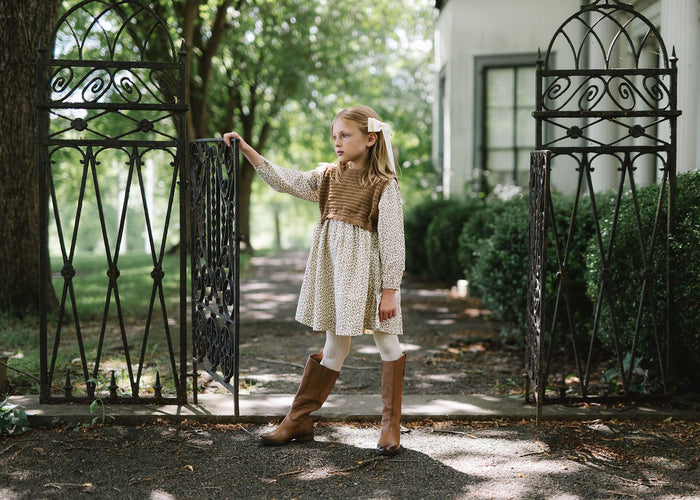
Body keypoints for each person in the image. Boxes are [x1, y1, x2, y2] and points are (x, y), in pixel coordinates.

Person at [223, 105, 406, 456]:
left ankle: (390, 425)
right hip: (336, 275)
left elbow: (393, 241)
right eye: (334, 135)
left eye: (345, 135)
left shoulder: (384, 185)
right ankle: (299, 418)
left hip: (369, 278)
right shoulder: (327, 177)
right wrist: (246, 149)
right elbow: (285, 180)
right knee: (335, 345)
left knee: (387, 342)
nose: (337, 142)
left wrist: (389, 290)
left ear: (370, 139)